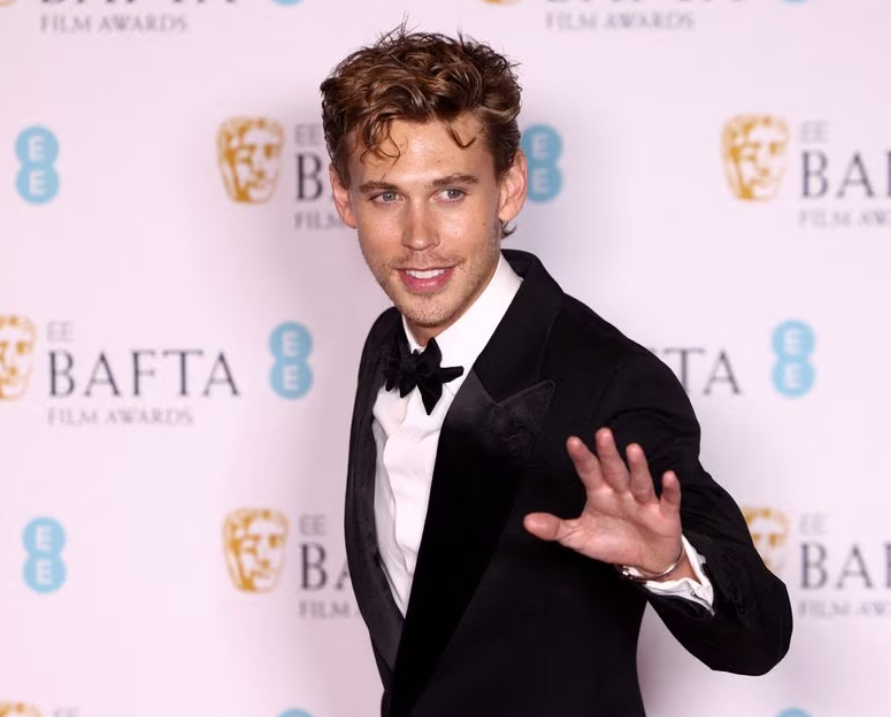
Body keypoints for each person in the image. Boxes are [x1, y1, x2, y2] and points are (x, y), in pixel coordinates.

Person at [320, 27, 792, 717]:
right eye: (386, 196)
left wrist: (667, 563)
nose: (418, 235)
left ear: (508, 188)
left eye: (450, 193)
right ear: (343, 198)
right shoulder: (383, 346)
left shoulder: (607, 378)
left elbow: (757, 639)